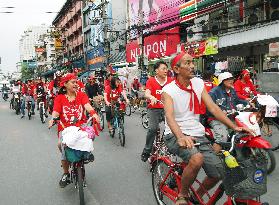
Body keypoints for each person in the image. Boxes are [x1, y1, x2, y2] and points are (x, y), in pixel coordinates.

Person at [161, 52, 253, 205]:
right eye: (187, 63)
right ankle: (182, 195)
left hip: (197, 134)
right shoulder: (168, 90)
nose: (192, 66)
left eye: (192, 62)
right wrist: (181, 137)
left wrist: (235, 127)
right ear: (176, 69)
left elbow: (214, 108)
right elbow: (169, 117)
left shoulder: (198, 83)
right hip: (175, 134)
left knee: (218, 172)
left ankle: (196, 196)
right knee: (197, 159)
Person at [48, 73, 99, 188]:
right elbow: (56, 112)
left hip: (81, 126)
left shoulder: (81, 95)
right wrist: (52, 119)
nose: (76, 84)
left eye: (76, 82)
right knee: (61, 145)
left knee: (90, 135)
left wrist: (94, 114)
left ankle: (86, 154)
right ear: (65, 84)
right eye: (73, 82)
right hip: (65, 128)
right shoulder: (59, 98)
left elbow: (87, 106)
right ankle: (66, 173)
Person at [140, 61, 173, 162]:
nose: (165, 71)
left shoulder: (171, 81)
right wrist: (151, 97)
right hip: (154, 109)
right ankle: (147, 151)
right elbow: (146, 93)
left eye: (166, 69)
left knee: (173, 128)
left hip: (167, 108)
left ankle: (170, 148)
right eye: (163, 68)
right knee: (153, 128)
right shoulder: (151, 80)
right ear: (156, 71)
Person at [207, 72, 248, 152]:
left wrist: (248, 103)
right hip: (216, 119)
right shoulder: (214, 92)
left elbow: (237, 100)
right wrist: (219, 112)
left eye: (232, 79)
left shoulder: (232, 90)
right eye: (228, 79)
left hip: (231, 117)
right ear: (222, 81)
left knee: (245, 130)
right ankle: (213, 158)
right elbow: (208, 109)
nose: (231, 81)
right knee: (222, 137)